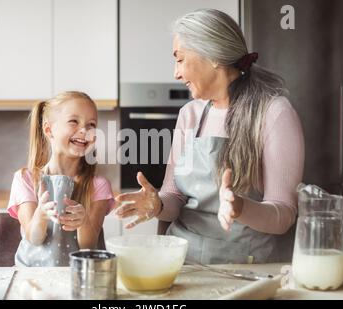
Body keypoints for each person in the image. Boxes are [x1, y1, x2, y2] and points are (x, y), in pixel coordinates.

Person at [113, 9, 305, 264]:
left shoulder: (274, 112)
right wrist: (157, 204)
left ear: (213, 57)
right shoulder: (189, 114)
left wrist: (240, 208)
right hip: (185, 263)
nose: (176, 73)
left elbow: (283, 215)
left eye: (180, 59)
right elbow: (175, 199)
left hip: (248, 268)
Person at [7, 91, 115, 266]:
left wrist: (84, 222)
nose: (84, 130)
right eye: (74, 121)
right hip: (33, 281)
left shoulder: (98, 185)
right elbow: (34, 238)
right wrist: (40, 216)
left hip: (79, 278)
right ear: (49, 129)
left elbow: (89, 247)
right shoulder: (25, 179)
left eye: (91, 124)